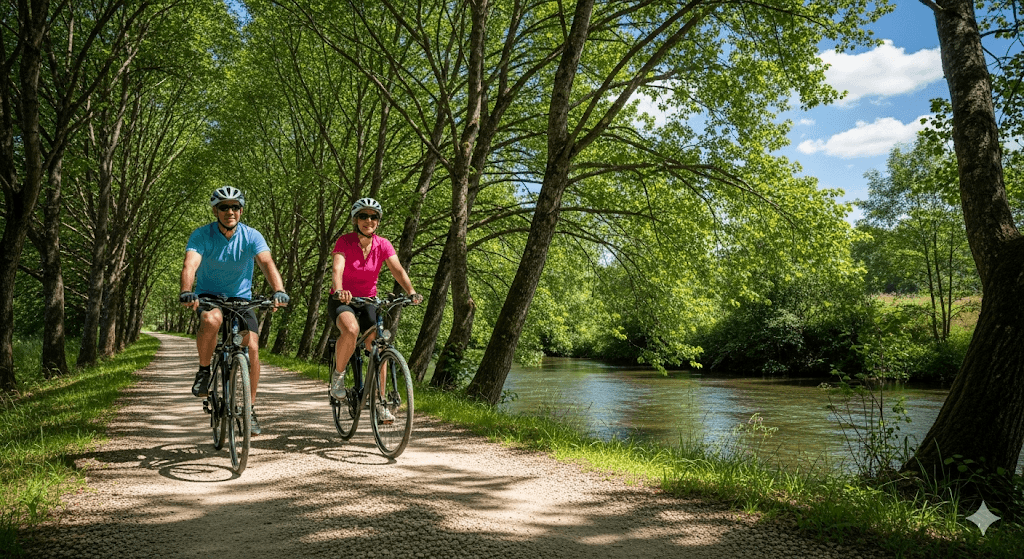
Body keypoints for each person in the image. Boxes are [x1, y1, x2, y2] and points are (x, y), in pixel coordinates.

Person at [179, 186, 290, 436]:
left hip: (241, 300)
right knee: (211, 319)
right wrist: (187, 290)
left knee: (252, 348)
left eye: (235, 207)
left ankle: (249, 409)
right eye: (224, 207)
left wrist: (279, 290)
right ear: (215, 210)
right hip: (209, 296)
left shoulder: (252, 236)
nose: (230, 211)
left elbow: (266, 262)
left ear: (241, 210)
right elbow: (190, 263)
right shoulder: (202, 235)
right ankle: (205, 371)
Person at [329, 197, 422, 421]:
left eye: (373, 216)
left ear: (378, 221)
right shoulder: (345, 241)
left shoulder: (383, 244)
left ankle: (380, 403)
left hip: (369, 300)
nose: (368, 220)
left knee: (378, 346)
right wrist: (340, 289)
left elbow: (397, 269)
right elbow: (337, 269)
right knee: (351, 330)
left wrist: (411, 292)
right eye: (363, 216)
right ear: (355, 220)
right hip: (343, 300)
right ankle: (338, 377)